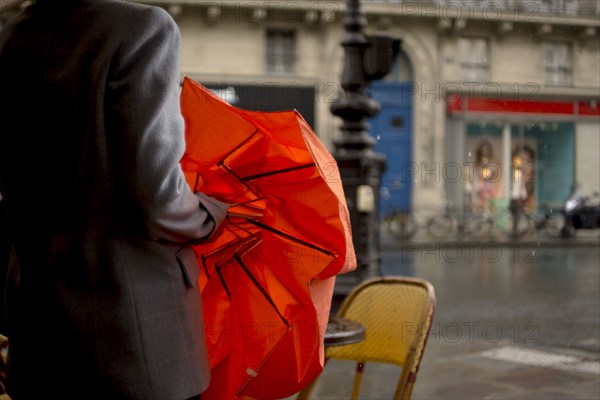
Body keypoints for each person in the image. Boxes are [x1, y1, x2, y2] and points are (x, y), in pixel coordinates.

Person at [0, 1, 229, 398]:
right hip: (137, 344)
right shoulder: (143, 27)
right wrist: (209, 213)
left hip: (40, 333)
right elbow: (157, 200)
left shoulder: (12, 37)